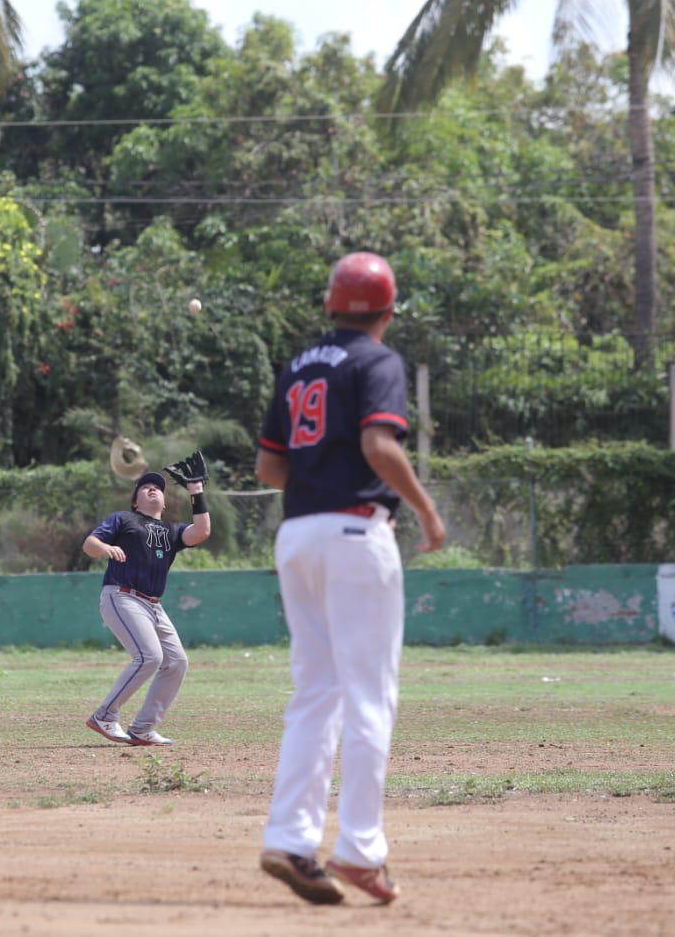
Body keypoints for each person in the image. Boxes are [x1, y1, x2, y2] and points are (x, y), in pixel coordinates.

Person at [253, 251, 447, 906]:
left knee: (316, 691)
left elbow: (269, 469)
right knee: (369, 696)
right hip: (356, 534)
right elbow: (380, 447)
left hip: (298, 534)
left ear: (331, 306)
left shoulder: (298, 366)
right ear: (387, 312)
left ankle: (289, 839)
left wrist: (319, 475)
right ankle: (361, 850)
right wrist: (426, 510)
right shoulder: (376, 360)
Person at [83, 465, 210, 746]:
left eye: (158, 487)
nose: (152, 488)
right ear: (135, 500)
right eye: (145, 486)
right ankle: (105, 715)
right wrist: (104, 548)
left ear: (164, 502)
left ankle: (142, 728)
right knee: (149, 656)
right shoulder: (123, 519)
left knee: (176, 662)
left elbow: (201, 531)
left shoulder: (171, 531)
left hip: (154, 606)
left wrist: (196, 491)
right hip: (122, 596)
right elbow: (90, 544)